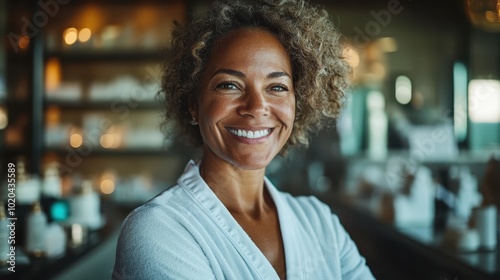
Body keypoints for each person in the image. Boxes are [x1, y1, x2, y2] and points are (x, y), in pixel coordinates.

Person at [112, 0, 375, 279]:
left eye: (276, 87)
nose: (256, 106)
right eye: (229, 85)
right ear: (193, 103)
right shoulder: (158, 229)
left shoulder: (319, 222)